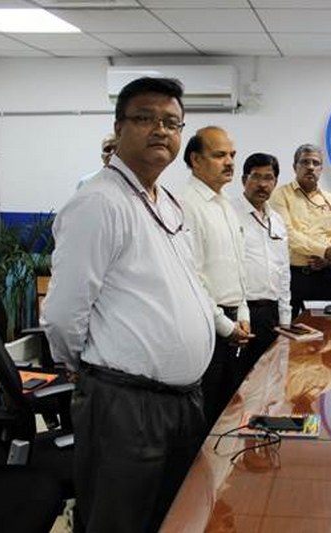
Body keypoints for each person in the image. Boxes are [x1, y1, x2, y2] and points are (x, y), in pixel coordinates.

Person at [42, 77, 214, 533]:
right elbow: (63, 312)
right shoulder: (99, 201)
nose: (160, 130)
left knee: (171, 519)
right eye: (145, 118)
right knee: (118, 522)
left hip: (181, 401)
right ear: (119, 129)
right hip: (126, 403)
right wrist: (83, 369)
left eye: (171, 122)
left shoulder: (166, 201)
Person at [181, 126, 253, 427]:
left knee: (230, 415)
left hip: (233, 324)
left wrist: (243, 313)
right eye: (220, 155)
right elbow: (191, 278)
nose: (230, 162)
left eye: (232, 155)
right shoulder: (186, 204)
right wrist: (225, 326)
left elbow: (238, 266)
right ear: (196, 160)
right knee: (206, 418)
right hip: (207, 326)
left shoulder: (225, 203)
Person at [269, 144, 331, 319]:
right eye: (305, 162)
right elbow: (288, 235)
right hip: (291, 276)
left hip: (325, 276)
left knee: (326, 328)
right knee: (286, 328)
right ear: (294, 167)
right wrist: (324, 251)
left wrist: (327, 259)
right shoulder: (280, 195)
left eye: (316, 163)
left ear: (321, 169)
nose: (311, 167)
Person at [231, 152, 291, 371]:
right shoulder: (230, 214)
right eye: (256, 176)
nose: (262, 184)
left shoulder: (277, 220)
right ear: (243, 180)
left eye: (269, 178)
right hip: (242, 314)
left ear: (275, 182)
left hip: (271, 315)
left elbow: (283, 272)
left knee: (269, 377)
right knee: (238, 379)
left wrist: (285, 319)